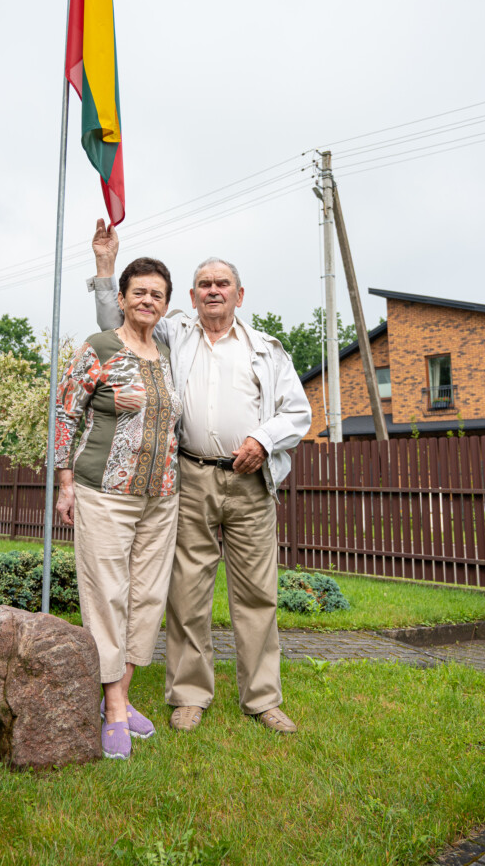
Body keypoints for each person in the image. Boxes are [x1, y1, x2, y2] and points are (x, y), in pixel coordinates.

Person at [88, 220, 312, 734]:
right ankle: (189, 695)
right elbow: (113, 327)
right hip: (189, 477)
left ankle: (262, 698)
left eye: (222, 284)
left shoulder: (268, 348)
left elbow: (297, 413)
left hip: (250, 482)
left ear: (238, 294)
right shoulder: (172, 333)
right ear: (190, 297)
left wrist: (261, 439)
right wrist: (106, 268)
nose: (214, 291)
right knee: (187, 592)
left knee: (257, 593)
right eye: (204, 285)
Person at [55, 256, 182, 760]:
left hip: (162, 494)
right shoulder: (100, 347)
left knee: (147, 598)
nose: (147, 301)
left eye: (157, 294)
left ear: (165, 304)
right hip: (104, 491)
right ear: (123, 299)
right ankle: (112, 708)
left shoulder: (169, 354)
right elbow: (65, 414)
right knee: (108, 596)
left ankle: (123, 695)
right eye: (139, 292)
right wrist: (65, 482)